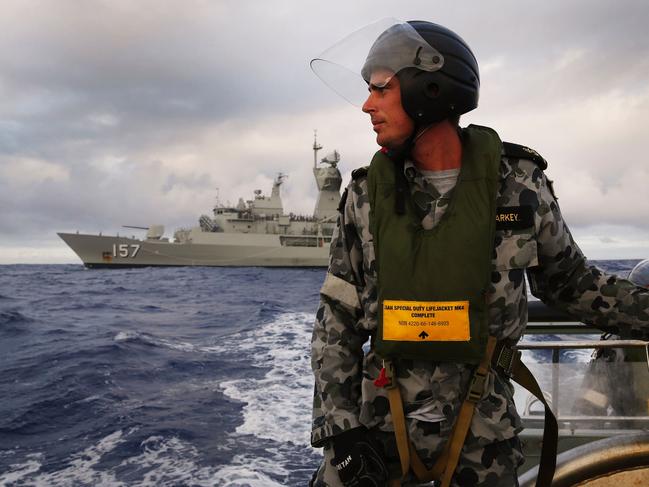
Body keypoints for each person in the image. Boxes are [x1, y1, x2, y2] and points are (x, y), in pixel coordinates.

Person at [308, 19, 649, 487]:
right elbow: (335, 324)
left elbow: (574, 285)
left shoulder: (520, 186)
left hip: (482, 440)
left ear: (428, 88)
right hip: (377, 435)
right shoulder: (365, 197)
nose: (368, 105)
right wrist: (342, 436)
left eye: (380, 89)